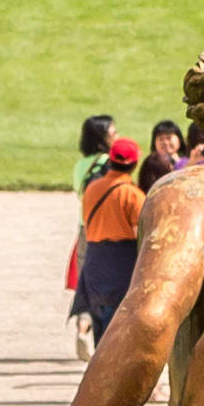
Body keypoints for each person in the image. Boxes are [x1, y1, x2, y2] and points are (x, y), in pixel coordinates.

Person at [71, 124, 149, 345]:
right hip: (122, 260)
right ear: (133, 164)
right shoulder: (133, 195)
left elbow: (86, 221)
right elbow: (138, 233)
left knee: (99, 320)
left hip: (95, 258)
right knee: (118, 324)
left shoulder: (92, 189)